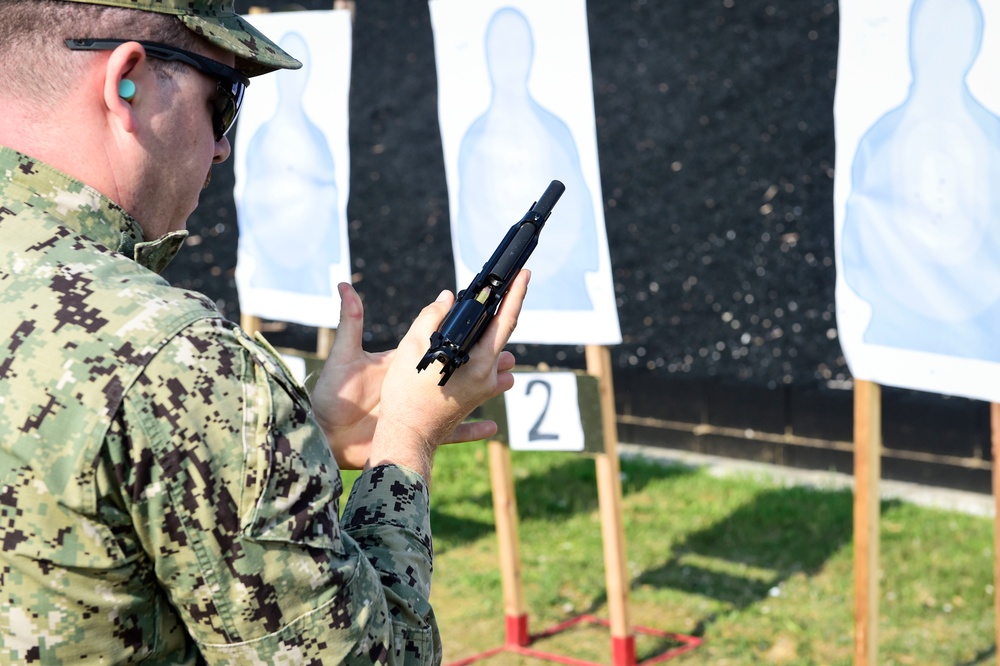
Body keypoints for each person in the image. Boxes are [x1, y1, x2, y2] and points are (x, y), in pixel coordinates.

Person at [0, 0, 529, 663]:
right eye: (224, 100)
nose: (222, 146)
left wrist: (289, 434)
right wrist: (407, 439)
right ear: (125, 81)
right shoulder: (176, 361)